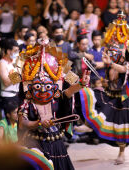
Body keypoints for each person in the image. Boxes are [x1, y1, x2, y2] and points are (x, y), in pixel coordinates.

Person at [17, 38, 91, 170]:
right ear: (30, 88)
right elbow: (22, 122)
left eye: (48, 87)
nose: (44, 91)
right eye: (38, 87)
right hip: (35, 144)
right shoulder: (28, 101)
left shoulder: (56, 98)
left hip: (56, 142)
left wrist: (81, 84)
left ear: (54, 88)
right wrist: (38, 124)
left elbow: (68, 92)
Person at [78, 13, 129, 165]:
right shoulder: (111, 51)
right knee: (90, 93)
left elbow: (123, 68)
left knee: (121, 127)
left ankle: (121, 154)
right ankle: (89, 125)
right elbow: (102, 64)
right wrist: (88, 61)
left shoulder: (128, 52)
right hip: (110, 92)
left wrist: (110, 62)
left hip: (123, 97)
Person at [0, 39, 20, 108]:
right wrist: (20, 74)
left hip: (16, 95)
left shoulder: (15, 61)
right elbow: (6, 82)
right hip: (8, 96)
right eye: (15, 51)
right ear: (8, 51)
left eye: (18, 51)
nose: (17, 53)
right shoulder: (2, 63)